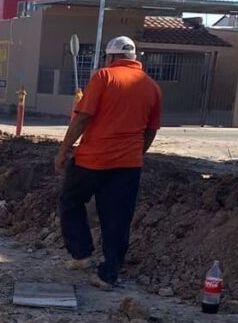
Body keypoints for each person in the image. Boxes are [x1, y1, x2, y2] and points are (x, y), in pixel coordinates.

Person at [54, 36, 162, 291]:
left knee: (70, 200)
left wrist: (63, 150)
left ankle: (81, 254)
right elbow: (151, 130)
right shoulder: (151, 86)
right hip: (128, 165)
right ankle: (108, 275)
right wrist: (137, 152)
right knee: (118, 219)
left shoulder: (104, 77)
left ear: (111, 57)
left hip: (92, 160)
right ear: (134, 59)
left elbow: (83, 118)